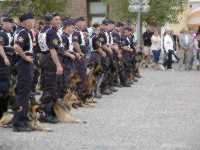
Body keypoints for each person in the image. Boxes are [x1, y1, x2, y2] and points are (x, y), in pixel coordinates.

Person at [12, 12, 35, 132]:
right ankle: (19, 123)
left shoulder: (26, 32)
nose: (34, 22)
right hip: (24, 66)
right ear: (26, 21)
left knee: (25, 94)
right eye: (32, 20)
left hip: (26, 66)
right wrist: (25, 57)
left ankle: (23, 120)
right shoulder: (23, 32)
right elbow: (16, 47)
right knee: (23, 95)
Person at [39, 13, 63, 124]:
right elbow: (53, 50)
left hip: (44, 58)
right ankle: (47, 113)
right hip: (50, 60)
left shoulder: (42, 31)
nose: (58, 21)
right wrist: (58, 65)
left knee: (46, 85)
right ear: (51, 21)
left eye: (59, 19)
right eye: (56, 19)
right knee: (51, 87)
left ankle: (48, 111)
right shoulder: (51, 32)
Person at [0, 17, 13, 119]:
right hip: (3, 64)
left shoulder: (10, 34)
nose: (10, 25)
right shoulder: (2, 33)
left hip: (9, 64)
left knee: (7, 87)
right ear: (3, 24)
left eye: (11, 23)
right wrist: (5, 58)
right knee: (3, 88)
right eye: (8, 23)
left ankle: (4, 110)